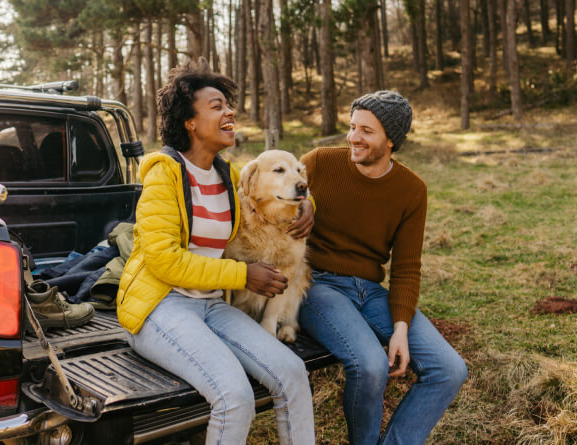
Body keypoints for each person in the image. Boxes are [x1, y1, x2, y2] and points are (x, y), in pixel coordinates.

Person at [116, 61, 315, 445]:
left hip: (210, 305)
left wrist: (309, 204)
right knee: (234, 395)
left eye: (229, 105)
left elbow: (274, 187)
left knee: (292, 373)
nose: (230, 113)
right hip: (160, 306)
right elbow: (164, 261)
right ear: (190, 122)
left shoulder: (226, 175)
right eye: (217, 105)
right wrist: (243, 276)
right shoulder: (164, 175)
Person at [296, 91, 468, 444]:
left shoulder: (411, 190)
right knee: (371, 365)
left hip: (370, 290)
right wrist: (304, 204)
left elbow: (406, 267)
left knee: (449, 370)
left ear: (391, 140)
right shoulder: (318, 162)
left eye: (367, 131)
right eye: (352, 127)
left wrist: (400, 328)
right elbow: (274, 194)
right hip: (317, 285)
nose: (354, 138)